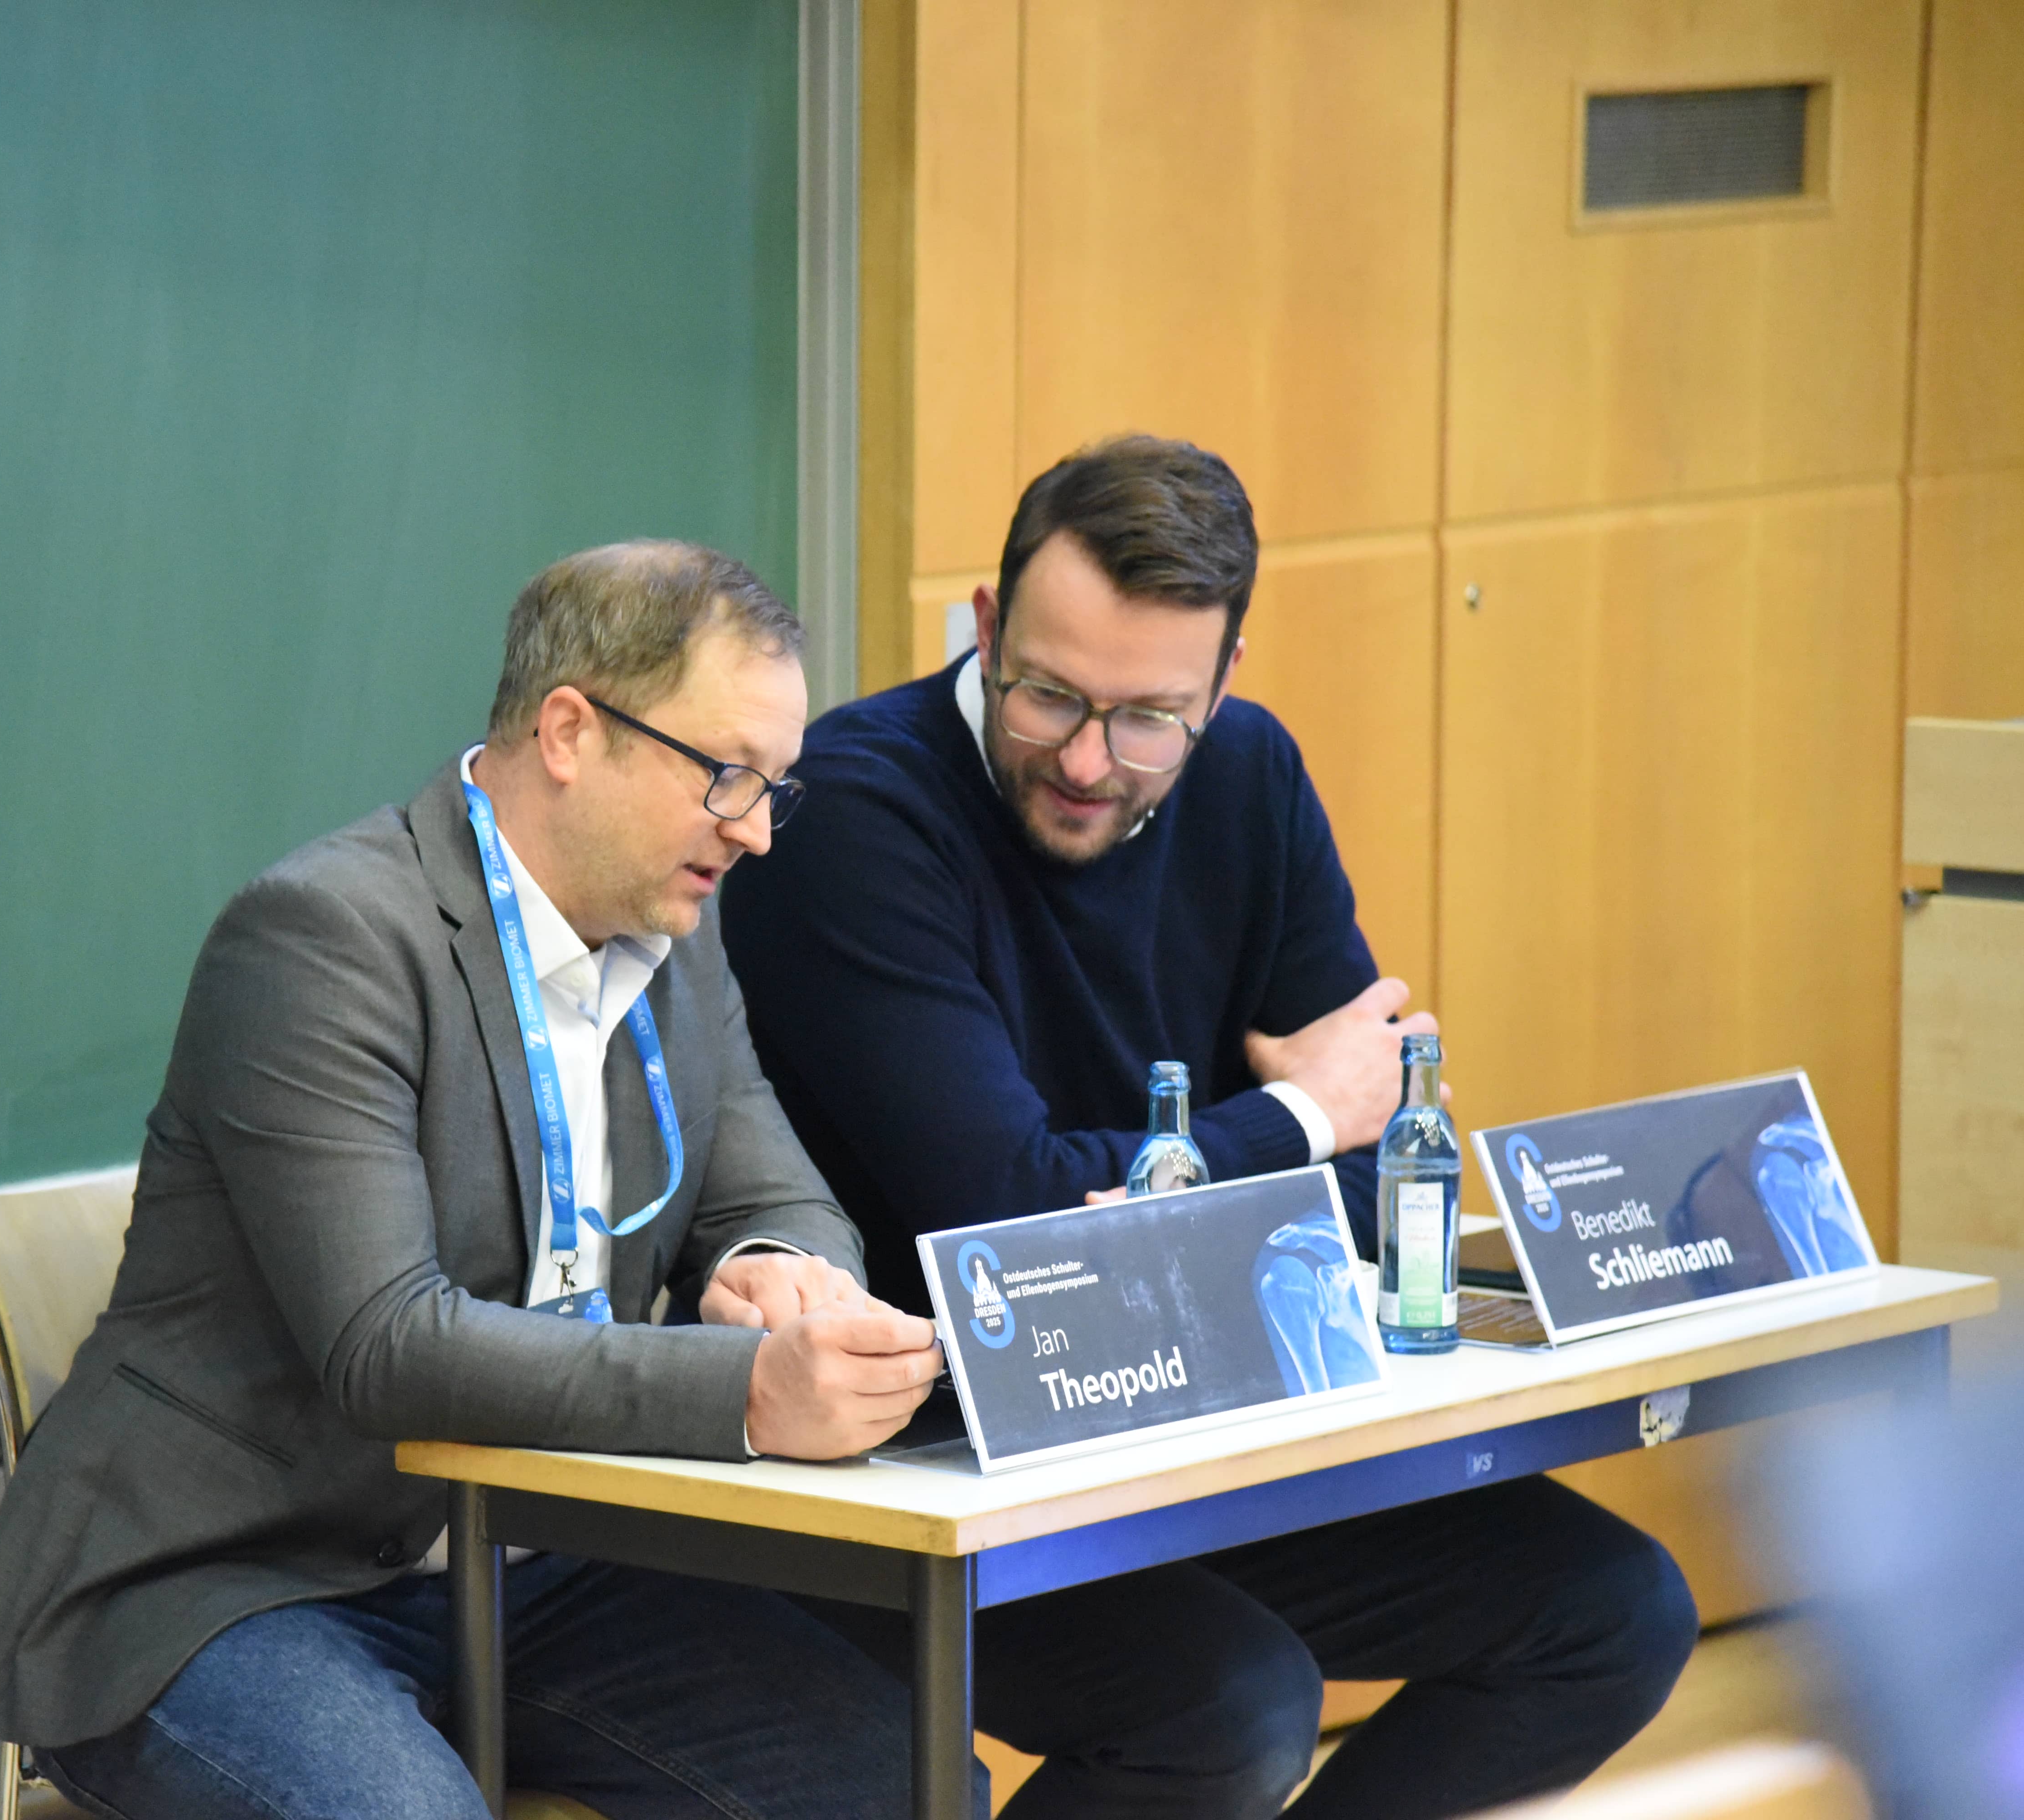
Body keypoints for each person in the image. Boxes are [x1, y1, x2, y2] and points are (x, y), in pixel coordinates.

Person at [719, 437, 1699, 1819]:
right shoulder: (853, 812)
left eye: (1150, 718)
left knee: (1614, 1613)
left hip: (1200, 1413)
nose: (1088, 758)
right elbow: (1013, 1220)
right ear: (988, 627)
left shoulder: (1248, 772)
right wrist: (1295, 1113)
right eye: (1050, 695)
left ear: (1224, 682)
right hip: (937, 1452)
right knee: (1232, 1709)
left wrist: (1258, 1158)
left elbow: (1372, 1178)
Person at [0, 541, 966, 1820]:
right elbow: (388, 1346)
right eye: (726, 776)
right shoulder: (326, 938)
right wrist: (749, 1392)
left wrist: (787, 1278)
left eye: (774, 788)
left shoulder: (675, 933)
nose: (754, 831)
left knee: (909, 1785)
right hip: (234, 1582)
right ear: (571, 731)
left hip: (534, 1557)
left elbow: (774, 1196)